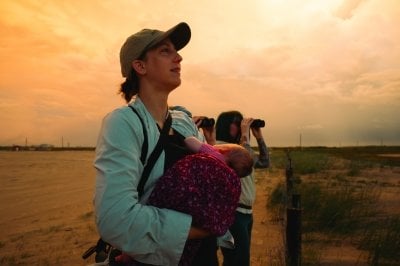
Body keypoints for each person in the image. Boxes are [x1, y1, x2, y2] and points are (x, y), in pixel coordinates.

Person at [94, 22, 217, 266]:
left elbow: (213, 181)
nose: (179, 57)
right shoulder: (124, 123)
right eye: (165, 51)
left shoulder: (184, 120)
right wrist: (201, 229)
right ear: (140, 66)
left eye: (176, 51)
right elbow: (115, 218)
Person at [213, 110, 270, 266]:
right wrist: (245, 134)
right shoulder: (219, 147)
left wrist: (258, 136)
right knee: (239, 261)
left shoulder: (240, 148)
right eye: (237, 122)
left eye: (241, 123)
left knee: (235, 260)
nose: (240, 126)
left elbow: (264, 162)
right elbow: (245, 155)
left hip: (246, 213)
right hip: (233, 213)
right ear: (225, 125)